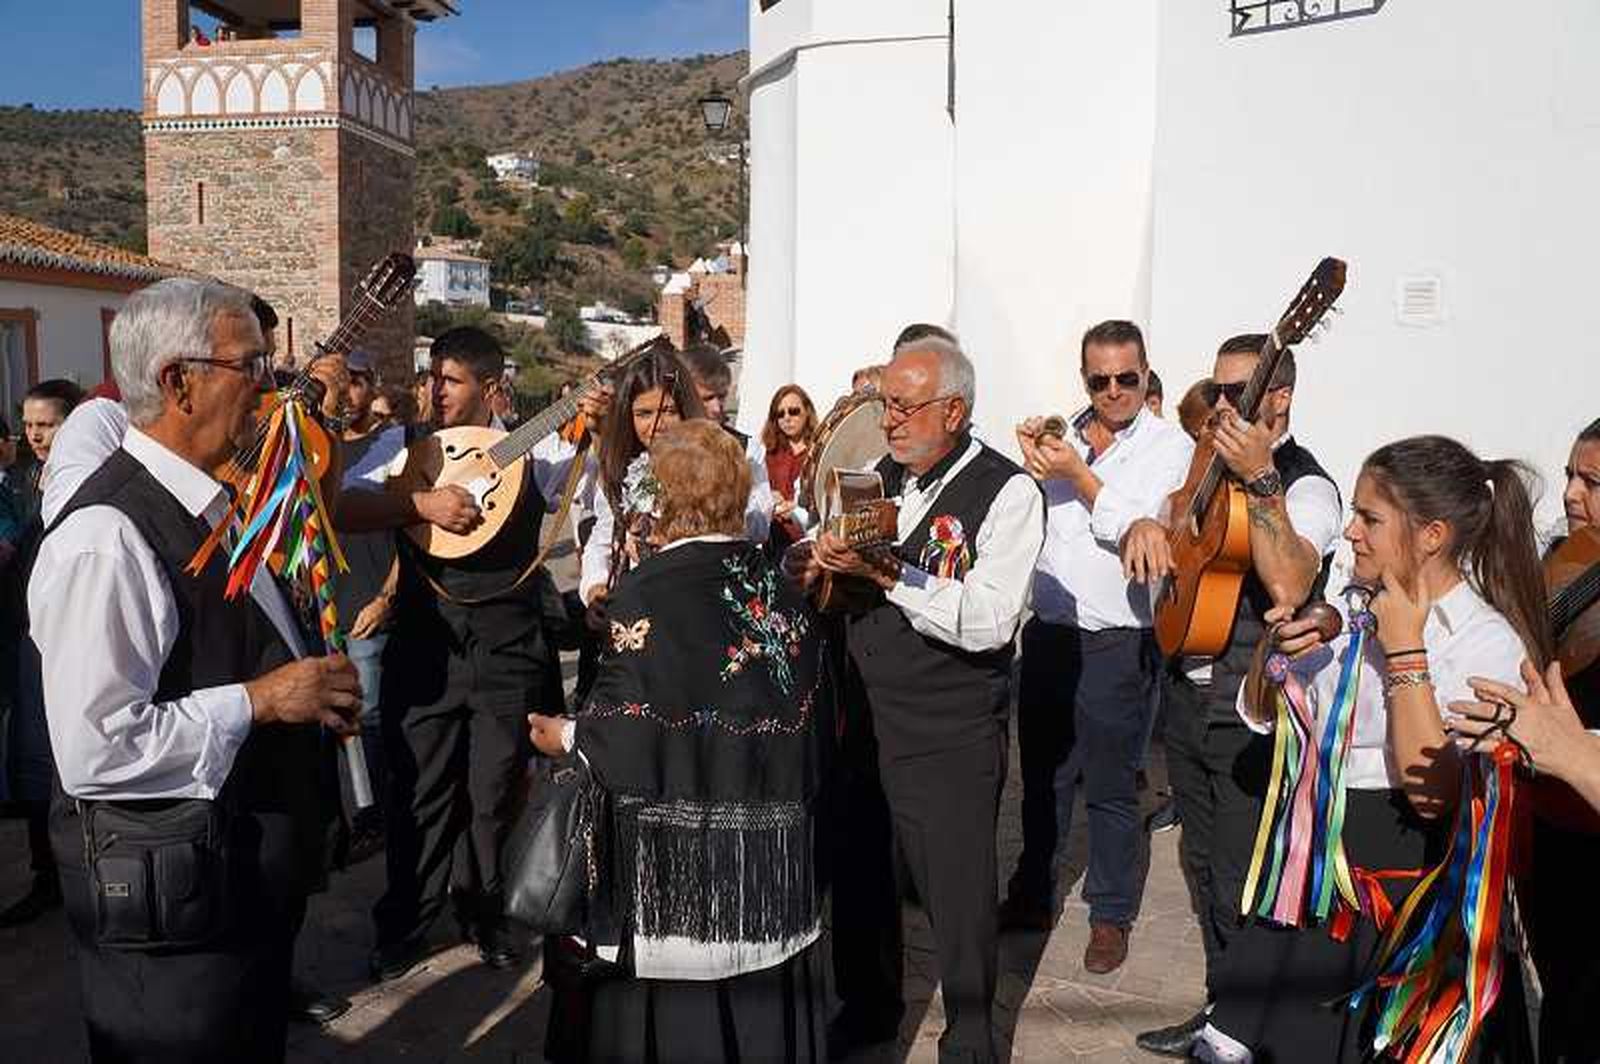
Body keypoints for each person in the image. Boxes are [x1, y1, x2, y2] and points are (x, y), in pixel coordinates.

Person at [31, 277, 362, 1062]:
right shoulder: (106, 538)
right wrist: (263, 699)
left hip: (230, 898)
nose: (272, 393)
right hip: (174, 926)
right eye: (253, 368)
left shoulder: (212, 504)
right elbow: (97, 748)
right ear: (180, 381)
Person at [1202, 435, 1546, 1062]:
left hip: (1407, 899)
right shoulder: (1351, 606)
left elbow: (1433, 793)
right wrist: (1276, 649)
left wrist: (1407, 652)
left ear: (1432, 535)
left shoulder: (1482, 643)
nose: (1352, 532)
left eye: (1369, 518)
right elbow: (1269, 713)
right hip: (1320, 884)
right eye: (1355, 514)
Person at [529, 419, 827, 1063]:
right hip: (768, 864)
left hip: (680, 880)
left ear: (661, 496)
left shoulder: (651, 589)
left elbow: (629, 732)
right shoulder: (776, 579)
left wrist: (568, 736)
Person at [799, 334, 1045, 1063]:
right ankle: (869, 1007)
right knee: (862, 871)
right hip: (866, 715)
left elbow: (994, 618)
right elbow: (849, 568)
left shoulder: (1009, 492)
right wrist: (828, 563)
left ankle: (971, 1039)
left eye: (904, 407)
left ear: (956, 410)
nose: (891, 421)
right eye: (886, 405)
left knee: (959, 895)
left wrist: (889, 575)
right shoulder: (880, 474)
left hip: (949, 727)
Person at [340, 326, 599, 982]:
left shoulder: (531, 452)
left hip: (507, 650)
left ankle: (485, 913)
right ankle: (406, 922)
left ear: (488, 388)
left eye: (448, 380)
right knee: (419, 792)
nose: (434, 391)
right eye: (430, 377)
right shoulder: (402, 446)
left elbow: (593, 487)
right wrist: (418, 500)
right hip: (425, 650)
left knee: (491, 796)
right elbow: (342, 501)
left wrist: (594, 424)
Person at [1124, 336, 1343, 1058]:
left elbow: (1289, 585)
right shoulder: (1206, 464)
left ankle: (1251, 1027)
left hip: (1250, 709)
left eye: (1239, 391)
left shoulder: (1307, 486)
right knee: (1203, 865)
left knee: (1241, 876)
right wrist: (1153, 524)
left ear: (1277, 398)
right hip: (1187, 696)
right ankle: (1226, 1014)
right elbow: (1176, 519)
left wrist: (1262, 482)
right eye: (1218, 390)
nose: (1222, 404)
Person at [1001, 322, 1194, 973]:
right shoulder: (1064, 436)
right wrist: (1028, 464)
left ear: (1145, 374)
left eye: (1126, 378)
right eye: (1099, 380)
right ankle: (1033, 888)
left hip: (1118, 637)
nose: (1113, 391)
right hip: (1051, 630)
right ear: (1084, 379)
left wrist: (1077, 474)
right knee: (1044, 778)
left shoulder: (1172, 448)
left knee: (1112, 786)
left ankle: (1110, 914)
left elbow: (1146, 526)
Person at [1471, 416, 1600, 1064]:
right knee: (1559, 999)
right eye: (1573, 476)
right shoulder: (1566, 561)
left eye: (1593, 483)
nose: (1573, 494)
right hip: (1550, 824)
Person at [0, 378, 84, 928]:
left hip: (72, 639)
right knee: (32, 764)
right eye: (28, 425)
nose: (35, 435)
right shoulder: (22, 482)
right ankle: (46, 877)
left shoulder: (89, 482)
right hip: (25, 637)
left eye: (46, 424)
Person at [330, 350, 402, 859]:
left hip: (369, 603)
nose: (347, 394)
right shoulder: (315, 449)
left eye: (357, 383)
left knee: (370, 715)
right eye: (339, 384)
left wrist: (387, 596)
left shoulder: (393, 445)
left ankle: (375, 818)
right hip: (328, 602)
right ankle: (350, 813)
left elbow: (410, 531)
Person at [578, 347, 706, 610]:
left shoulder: (715, 466)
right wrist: (594, 587)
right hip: (639, 610)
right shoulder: (624, 469)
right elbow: (601, 542)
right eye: (643, 414)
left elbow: (749, 527)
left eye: (669, 411)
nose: (657, 425)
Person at [676, 341, 774, 543]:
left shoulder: (747, 450)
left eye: (721, 397)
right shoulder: (661, 445)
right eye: (707, 398)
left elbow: (761, 527)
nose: (717, 408)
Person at [762, 383, 819, 552]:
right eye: (780, 414)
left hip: (808, 543)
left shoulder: (819, 453)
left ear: (806, 412)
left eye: (793, 411)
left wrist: (796, 508)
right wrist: (768, 497)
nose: (787, 418)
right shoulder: (768, 455)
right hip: (774, 542)